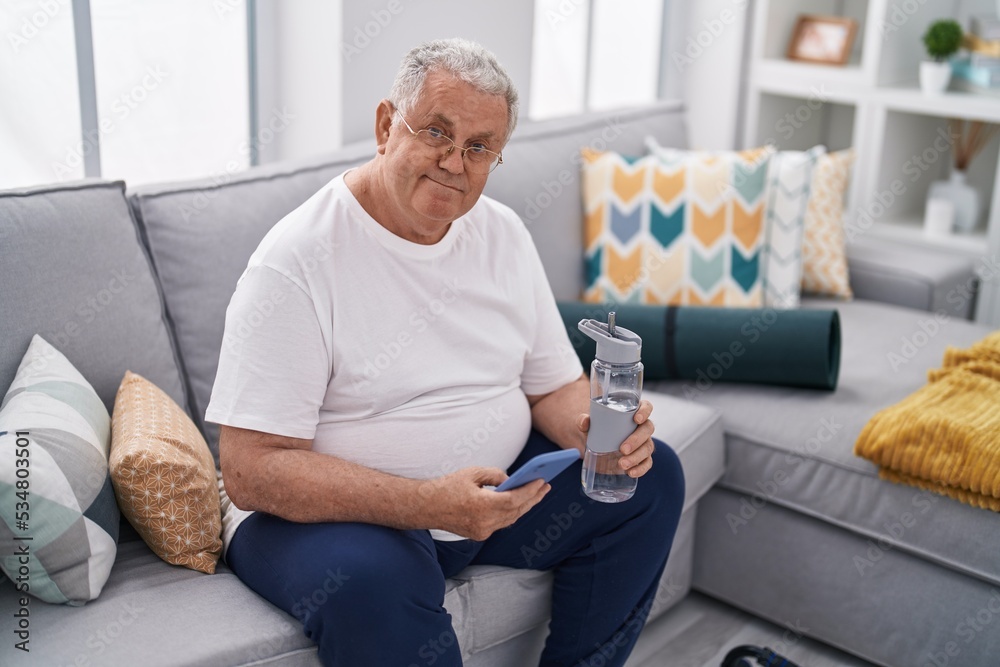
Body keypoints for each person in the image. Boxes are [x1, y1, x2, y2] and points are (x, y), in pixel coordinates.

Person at [206, 38, 685, 667]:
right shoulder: (296, 261)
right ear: (385, 126)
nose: (455, 163)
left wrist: (597, 432)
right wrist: (426, 503)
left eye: (480, 147)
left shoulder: (504, 234)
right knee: (372, 584)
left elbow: (551, 388)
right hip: (331, 523)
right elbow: (249, 468)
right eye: (436, 131)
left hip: (488, 499)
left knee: (650, 479)